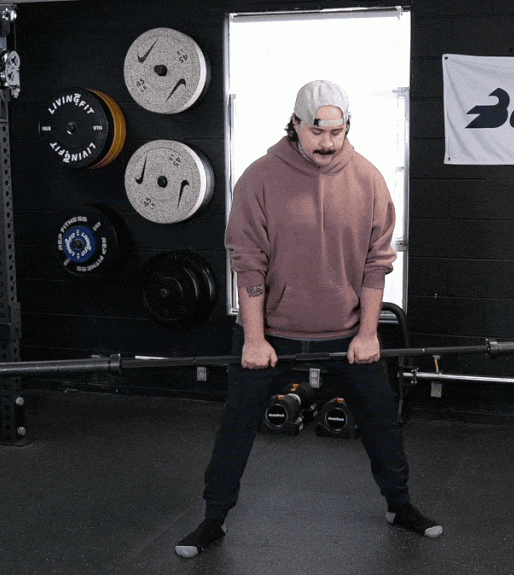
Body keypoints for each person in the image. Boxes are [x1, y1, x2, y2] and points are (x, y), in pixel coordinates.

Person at [175, 80, 442, 558]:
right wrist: (254, 339)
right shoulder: (259, 178)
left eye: (338, 132)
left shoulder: (369, 180)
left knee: (382, 418)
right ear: (295, 123)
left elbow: (376, 263)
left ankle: (399, 506)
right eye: (318, 131)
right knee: (237, 422)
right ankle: (213, 518)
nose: (328, 142)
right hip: (271, 334)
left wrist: (367, 333)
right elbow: (249, 263)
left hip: (347, 334)